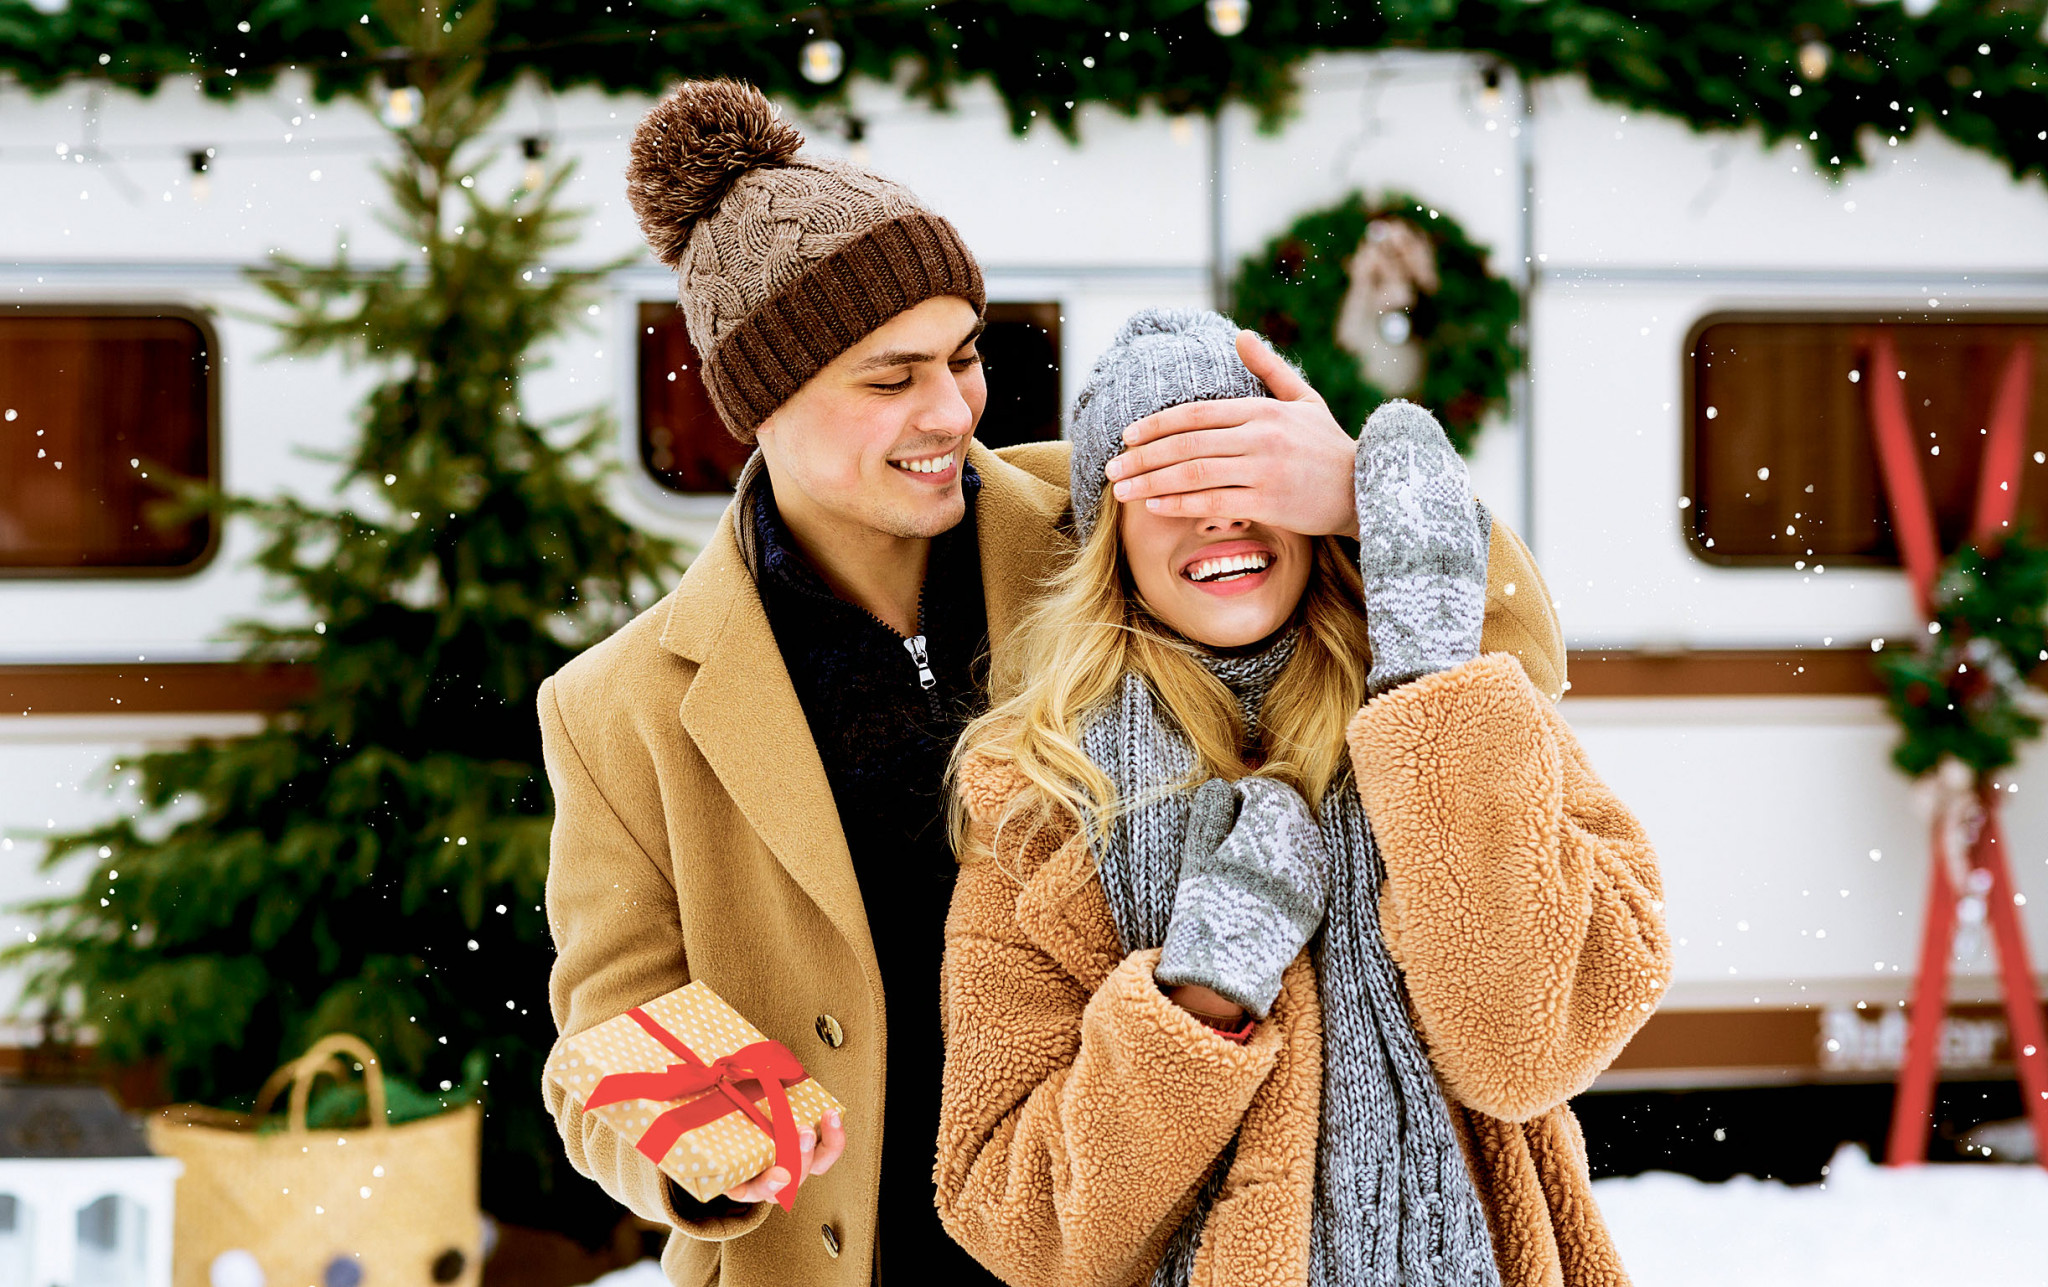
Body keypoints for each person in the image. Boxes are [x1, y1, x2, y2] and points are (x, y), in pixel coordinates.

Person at [537, 84, 1374, 1286]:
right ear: (760, 403)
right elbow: (609, 1023)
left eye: (963, 357)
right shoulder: (615, 706)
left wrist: (1359, 499)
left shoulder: (1102, 530)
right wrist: (708, 1131)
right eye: (891, 378)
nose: (950, 409)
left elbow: (1499, 641)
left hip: (1125, 1235)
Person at [939, 310, 1671, 1287]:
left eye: (1249, 477)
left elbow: (1523, 1048)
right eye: (1173, 487)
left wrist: (1424, 656)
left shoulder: (1472, 712)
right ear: (1111, 538)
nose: (1220, 516)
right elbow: (1017, 1221)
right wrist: (1199, 996)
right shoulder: (1040, 800)